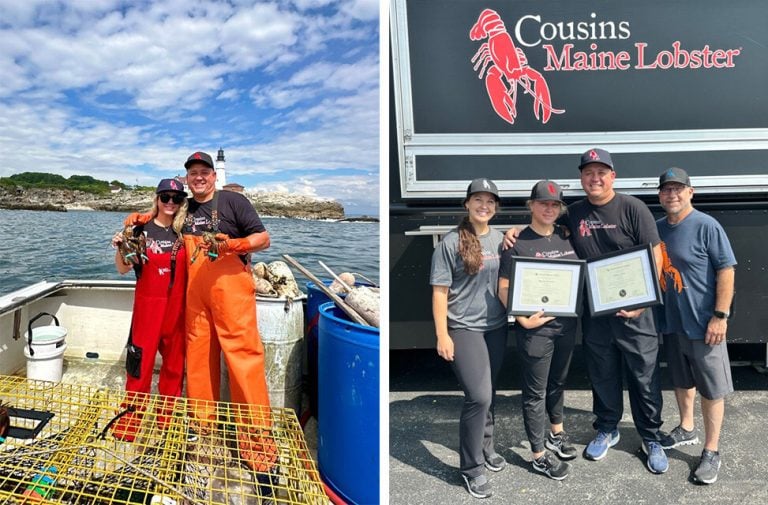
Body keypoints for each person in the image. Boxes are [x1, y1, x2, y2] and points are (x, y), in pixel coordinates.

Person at [125, 151, 275, 478]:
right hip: (196, 300)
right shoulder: (184, 208)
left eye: (204, 171)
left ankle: (257, 442)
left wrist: (232, 246)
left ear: (214, 175)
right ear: (187, 179)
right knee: (198, 358)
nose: (199, 177)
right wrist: (136, 220)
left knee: (243, 359)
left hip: (231, 292)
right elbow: (160, 219)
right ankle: (201, 426)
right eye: (193, 173)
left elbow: (263, 239)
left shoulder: (235, 203)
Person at [655, 167, 736, 484]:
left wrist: (720, 315)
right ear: (660, 195)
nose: (671, 194)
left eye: (678, 189)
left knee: (711, 387)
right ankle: (686, 427)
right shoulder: (658, 228)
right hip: (673, 322)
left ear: (691, 192)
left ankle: (711, 450)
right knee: (681, 379)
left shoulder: (706, 225)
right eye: (666, 190)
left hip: (705, 325)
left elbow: (726, 270)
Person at [430, 178, 508, 499]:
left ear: (496, 208)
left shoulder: (502, 240)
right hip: (464, 327)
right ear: (467, 204)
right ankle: (471, 467)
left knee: (490, 392)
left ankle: (486, 445)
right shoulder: (450, 243)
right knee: (478, 396)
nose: (484, 206)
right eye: (478, 199)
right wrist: (442, 335)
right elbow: (439, 292)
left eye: (490, 201)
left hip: (497, 326)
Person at [498, 180, 577, 480]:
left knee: (558, 382)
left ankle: (556, 433)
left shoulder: (566, 236)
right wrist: (521, 318)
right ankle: (538, 455)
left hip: (566, 325)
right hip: (535, 331)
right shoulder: (516, 242)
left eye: (554, 204)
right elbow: (503, 287)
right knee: (535, 392)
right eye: (543, 203)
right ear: (531, 205)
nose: (549, 208)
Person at [111, 178, 188, 441]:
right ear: (156, 199)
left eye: (176, 199)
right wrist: (121, 246)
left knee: (175, 367)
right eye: (165, 197)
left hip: (177, 309)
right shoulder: (140, 229)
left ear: (182, 203)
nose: (170, 203)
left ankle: (166, 419)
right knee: (139, 366)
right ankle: (131, 420)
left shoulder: (185, 232)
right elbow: (123, 268)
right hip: (147, 308)